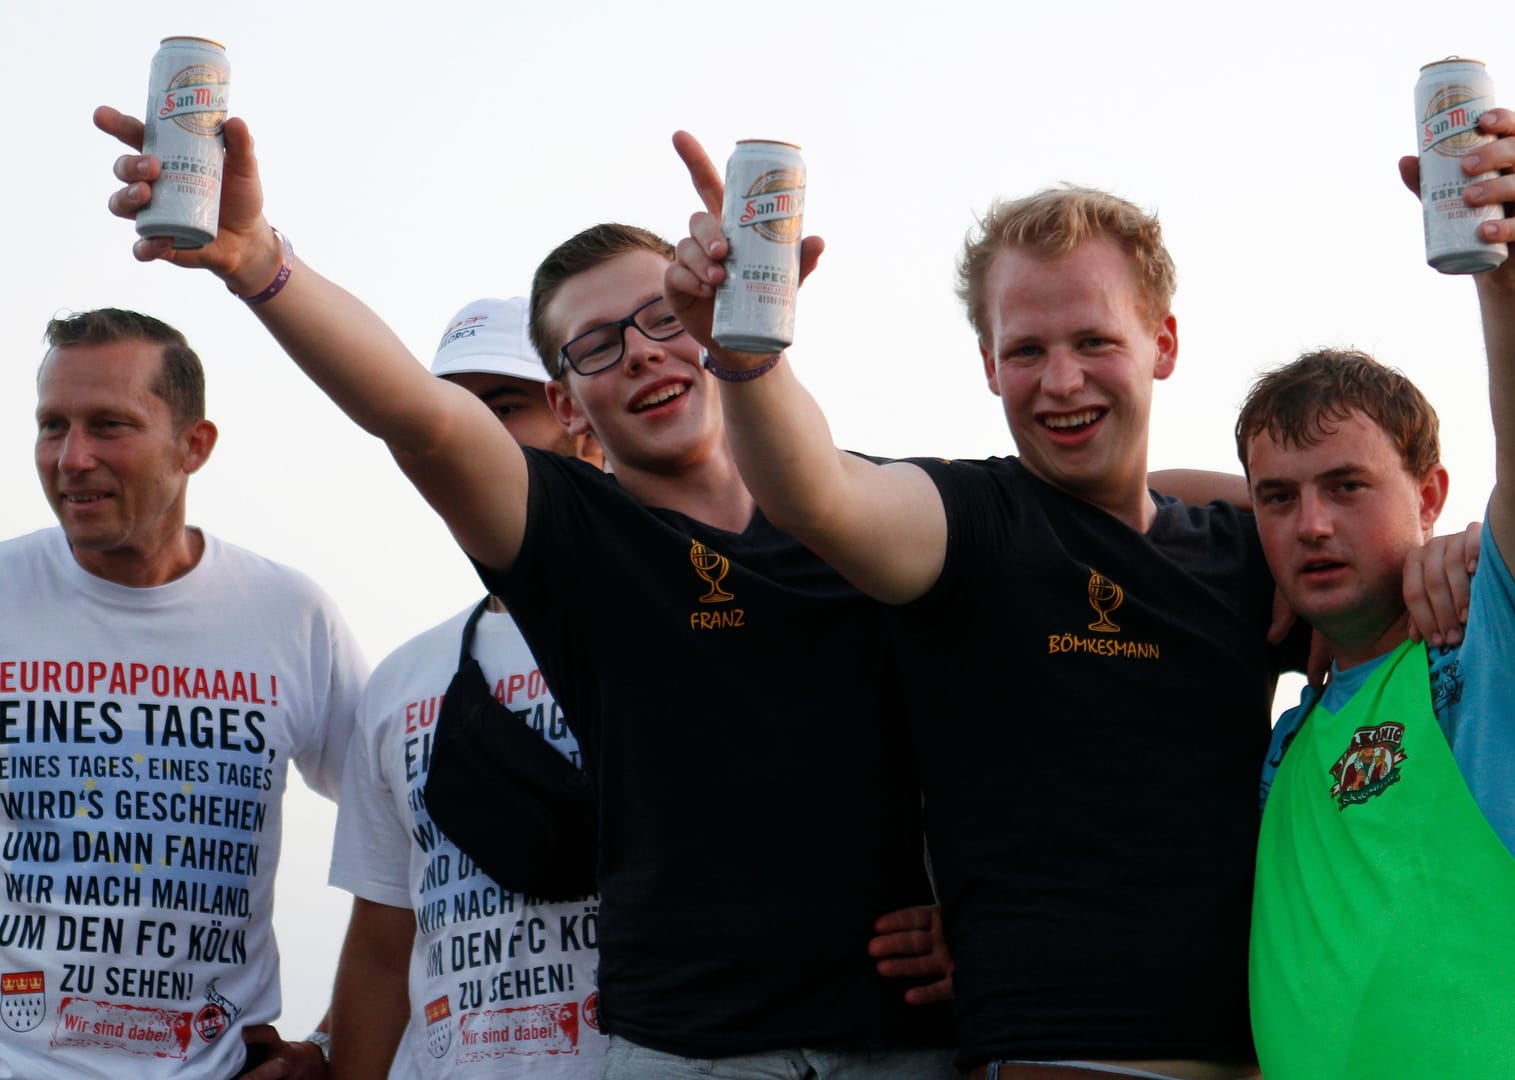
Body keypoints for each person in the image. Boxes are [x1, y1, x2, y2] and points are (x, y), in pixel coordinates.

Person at [95, 106, 955, 1080]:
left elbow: (1031, 717)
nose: (638, 353)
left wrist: (982, 919)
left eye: (665, 320)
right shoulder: (577, 540)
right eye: (594, 347)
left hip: (902, 1043)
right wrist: (260, 265)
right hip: (689, 1050)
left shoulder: (877, 513)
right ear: (564, 404)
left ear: (714, 324)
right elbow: (422, 420)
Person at [665, 136, 1320, 1079]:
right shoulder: (971, 525)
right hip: (1055, 1060)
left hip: (1265, 1054)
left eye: (1095, 341)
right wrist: (744, 353)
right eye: (1027, 351)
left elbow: (1379, 571)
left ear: (1162, 345)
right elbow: (815, 492)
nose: (1061, 382)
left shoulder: (1246, 551)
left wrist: (1440, 559)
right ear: (987, 363)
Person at [1238, 109, 1515, 1077]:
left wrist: (1510, 287)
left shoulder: (1499, 655)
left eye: (1348, 487)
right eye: (1278, 498)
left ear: (1432, 493)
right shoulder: (1290, 743)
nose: (1310, 524)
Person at [1, 308, 365, 1079]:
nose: (71, 458)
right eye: (51, 425)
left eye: (109, 425)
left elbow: (418, 830)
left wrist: (332, 1043)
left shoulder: (287, 614)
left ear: (193, 445)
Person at [323, 296, 611, 1077]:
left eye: (504, 407)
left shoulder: (683, 631)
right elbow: (384, 950)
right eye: (446, 407)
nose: (459, 434)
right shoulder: (400, 681)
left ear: (576, 417)